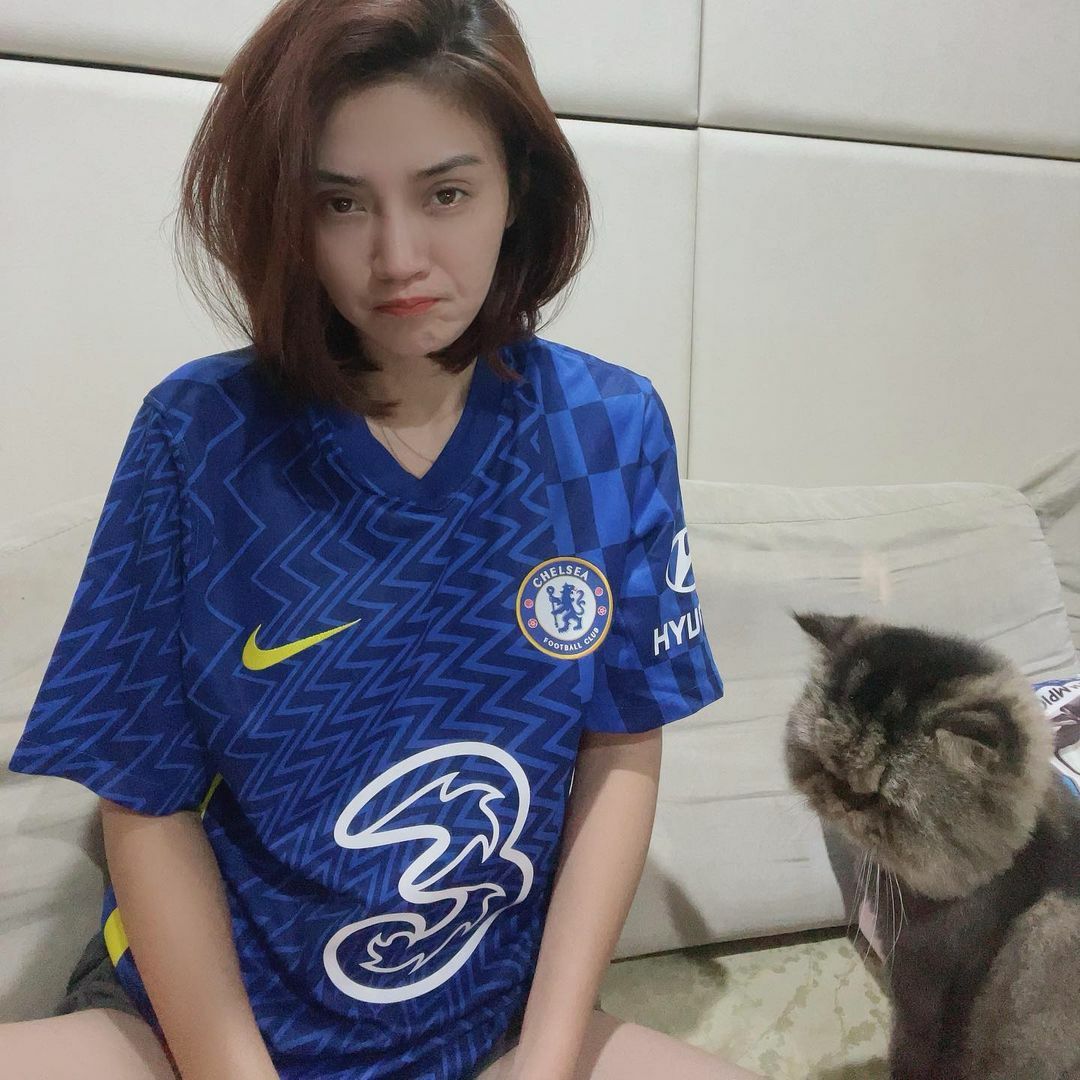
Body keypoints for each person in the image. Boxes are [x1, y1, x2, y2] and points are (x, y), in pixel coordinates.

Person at [2, 1, 762, 1077]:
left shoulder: (607, 428)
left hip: (490, 1020)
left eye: (446, 193)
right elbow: (145, 802)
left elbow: (620, 748)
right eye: (341, 203)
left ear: (517, 189)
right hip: (199, 1028)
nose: (398, 258)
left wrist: (545, 1059)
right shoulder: (201, 436)